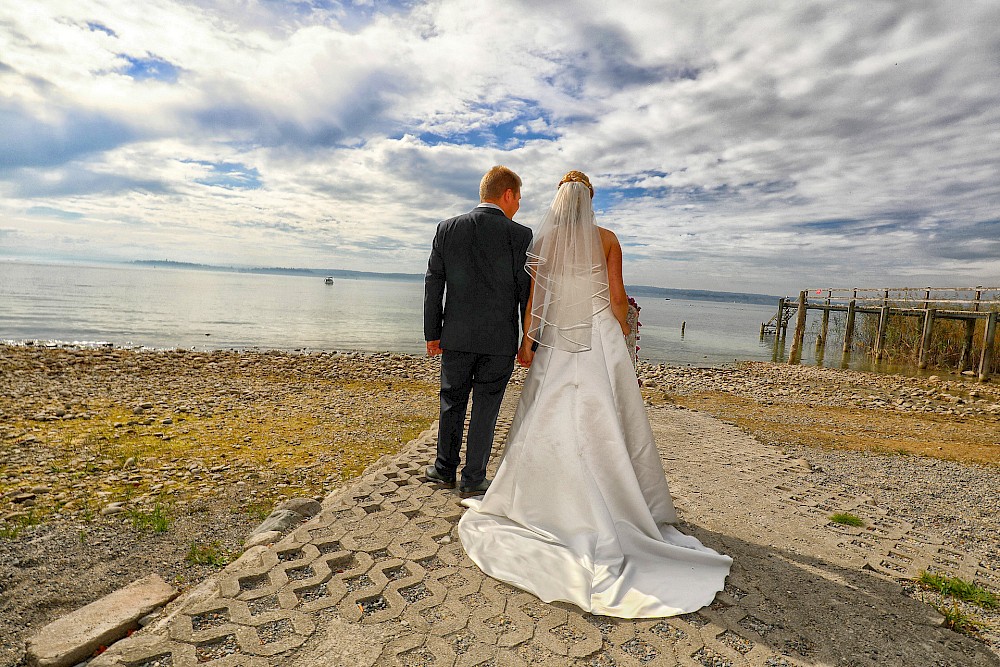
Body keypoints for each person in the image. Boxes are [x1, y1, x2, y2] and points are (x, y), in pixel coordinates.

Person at [457, 170, 732, 618]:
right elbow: (618, 297)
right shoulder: (607, 238)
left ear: (560, 201)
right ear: (590, 200)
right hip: (598, 336)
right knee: (607, 415)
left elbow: (536, 300)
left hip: (559, 341)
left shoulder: (542, 243)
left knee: (548, 413)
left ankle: (542, 502)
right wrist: (622, 334)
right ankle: (615, 499)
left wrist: (529, 340)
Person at [423, 165, 533, 495]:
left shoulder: (447, 228)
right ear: (508, 194)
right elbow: (526, 293)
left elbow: (433, 283)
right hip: (499, 340)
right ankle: (473, 479)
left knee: (451, 401)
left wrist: (432, 332)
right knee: (486, 407)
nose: (519, 206)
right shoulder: (520, 235)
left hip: (455, 335)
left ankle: (444, 470)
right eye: (519, 199)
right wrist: (528, 342)